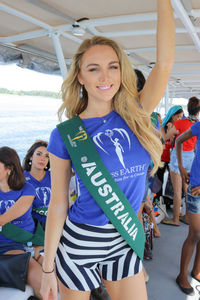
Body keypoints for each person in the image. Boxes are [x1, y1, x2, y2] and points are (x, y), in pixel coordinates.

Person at [40, 1, 175, 299]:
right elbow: (59, 204)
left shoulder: (137, 114)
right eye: (94, 69)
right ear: (80, 77)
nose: (105, 77)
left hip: (124, 239)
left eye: (113, 67)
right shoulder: (65, 135)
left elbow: (164, 63)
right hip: (80, 241)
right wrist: (47, 268)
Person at [0, 146, 43, 299]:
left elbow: (4, 219)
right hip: (9, 247)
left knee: (59, 274)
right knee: (41, 282)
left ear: (9, 168)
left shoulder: (27, 189)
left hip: (32, 242)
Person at [162, 97, 200, 226]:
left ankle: (175, 219)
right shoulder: (197, 124)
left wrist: (167, 128)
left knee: (177, 192)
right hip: (191, 157)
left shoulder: (180, 123)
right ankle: (188, 217)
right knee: (187, 189)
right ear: (198, 111)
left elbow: (165, 138)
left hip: (178, 157)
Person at [175, 119, 200, 296]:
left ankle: (196, 271)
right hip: (196, 188)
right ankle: (182, 275)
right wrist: (182, 167)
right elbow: (178, 141)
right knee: (196, 233)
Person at [155, 105, 183, 200]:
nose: (179, 119)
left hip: (172, 158)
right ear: (172, 115)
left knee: (173, 182)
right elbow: (161, 139)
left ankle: (169, 201)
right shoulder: (162, 125)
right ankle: (158, 201)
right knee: (159, 180)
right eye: (178, 116)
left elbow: (175, 142)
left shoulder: (178, 127)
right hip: (162, 157)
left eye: (181, 117)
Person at [23, 140, 51, 230]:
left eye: (47, 156)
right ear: (31, 157)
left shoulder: (54, 176)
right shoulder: (21, 178)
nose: (43, 158)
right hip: (31, 225)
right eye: (39, 154)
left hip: (53, 222)